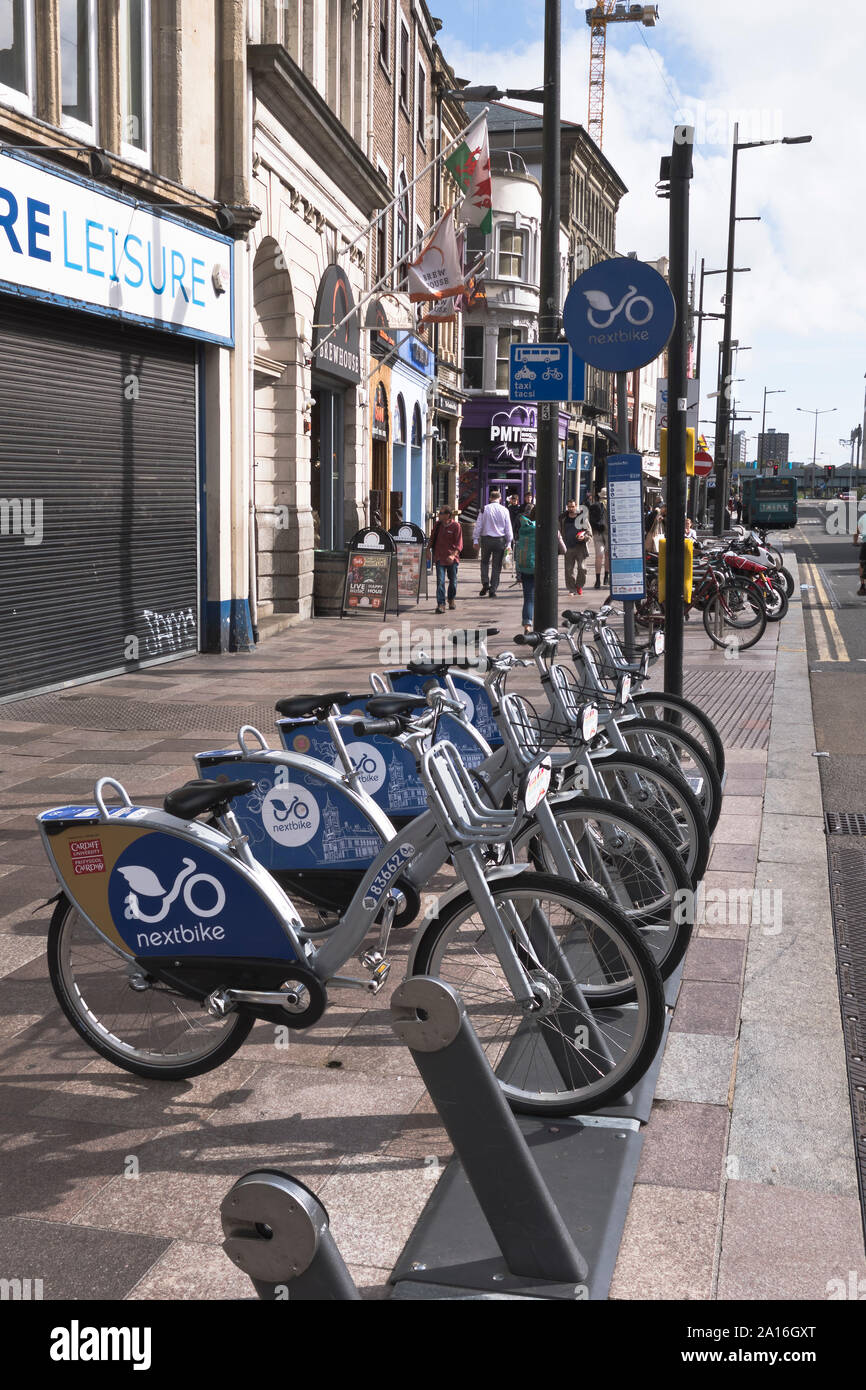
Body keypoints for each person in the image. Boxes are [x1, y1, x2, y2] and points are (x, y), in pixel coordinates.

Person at [473, 487, 513, 598]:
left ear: (490, 498)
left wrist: (476, 539)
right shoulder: (504, 510)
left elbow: (478, 525)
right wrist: (509, 543)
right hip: (499, 540)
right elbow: (508, 528)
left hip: (486, 539)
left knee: (484, 562)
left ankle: (485, 583)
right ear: (500, 499)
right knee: (496, 566)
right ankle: (493, 589)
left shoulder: (484, 509)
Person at [430, 504, 463, 613]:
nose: (439, 515)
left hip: (452, 559)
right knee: (440, 581)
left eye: (441, 513)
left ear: (448, 515)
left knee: (453, 581)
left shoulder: (456, 526)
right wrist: (427, 550)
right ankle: (441, 604)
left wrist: (453, 555)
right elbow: (432, 538)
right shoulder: (438, 525)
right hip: (440, 557)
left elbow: (459, 544)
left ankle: (451, 599)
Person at [559, 497, 593, 595]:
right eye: (569, 507)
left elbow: (589, 533)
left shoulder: (581, 518)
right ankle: (571, 589)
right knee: (569, 570)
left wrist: (584, 537)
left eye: (573, 506)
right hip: (568, 547)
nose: (571, 508)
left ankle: (579, 585)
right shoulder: (563, 518)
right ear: (567, 507)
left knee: (582, 568)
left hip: (580, 547)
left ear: (576, 506)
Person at [514, 506, 537, 633]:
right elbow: (563, 549)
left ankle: (527, 624)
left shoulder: (525, 528)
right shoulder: (546, 529)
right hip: (542, 568)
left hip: (526, 567)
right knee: (544, 598)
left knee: (528, 598)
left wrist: (518, 573)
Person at [588, 489, 609, 589]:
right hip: (608, 533)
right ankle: (606, 577)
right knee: (607, 555)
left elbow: (589, 519)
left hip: (597, 532)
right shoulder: (612, 505)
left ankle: (597, 580)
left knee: (599, 556)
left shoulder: (595, 506)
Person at [854, 507, 866, 596]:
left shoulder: (862, 518)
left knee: (862, 564)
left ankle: (862, 586)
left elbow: (857, 532)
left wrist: (855, 542)